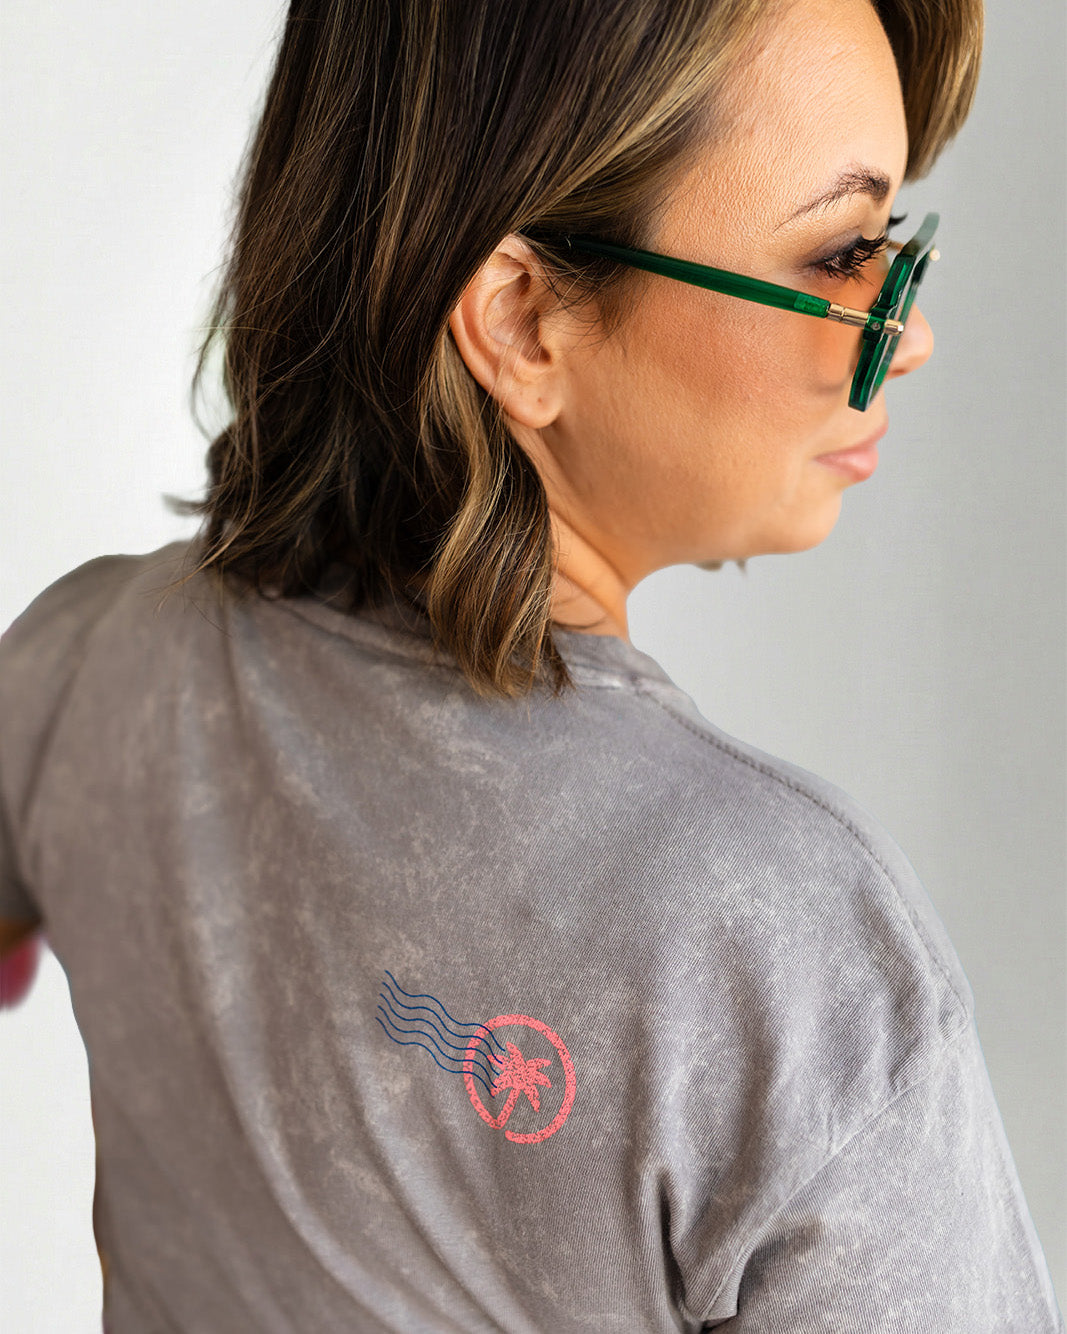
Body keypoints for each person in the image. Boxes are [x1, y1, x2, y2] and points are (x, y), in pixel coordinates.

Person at [1, 0, 1062, 1328]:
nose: (906, 335)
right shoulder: (781, 946)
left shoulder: (89, 665)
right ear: (524, 321)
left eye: (894, 245)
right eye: (844, 253)